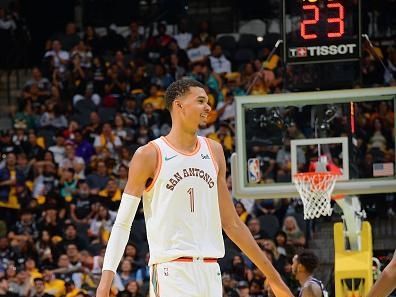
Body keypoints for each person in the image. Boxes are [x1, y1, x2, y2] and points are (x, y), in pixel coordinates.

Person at [96, 79, 293, 297]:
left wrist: (273, 277)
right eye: (200, 101)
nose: (208, 107)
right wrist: (106, 281)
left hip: (211, 271)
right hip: (171, 272)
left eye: (208, 102)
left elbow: (232, 224)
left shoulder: (214, 151)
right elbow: (123, 223)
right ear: (179, 105)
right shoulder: (149, 154)